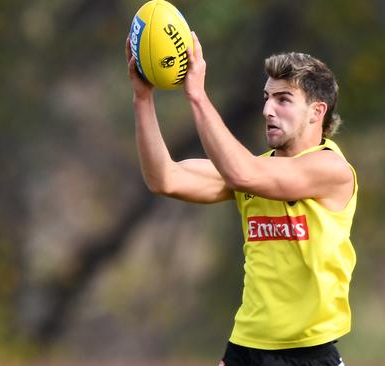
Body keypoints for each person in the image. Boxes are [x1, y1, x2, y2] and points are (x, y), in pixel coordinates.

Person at [125, 32, 356, 366]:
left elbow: (243, 175)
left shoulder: (331, 169)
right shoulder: (254, 170)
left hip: (307, 355)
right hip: (245, 350)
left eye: (283, 100)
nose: (267, 109)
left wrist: (198, 96)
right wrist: (143, 98)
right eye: (267, 97)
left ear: (316, 111)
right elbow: (165, 177)